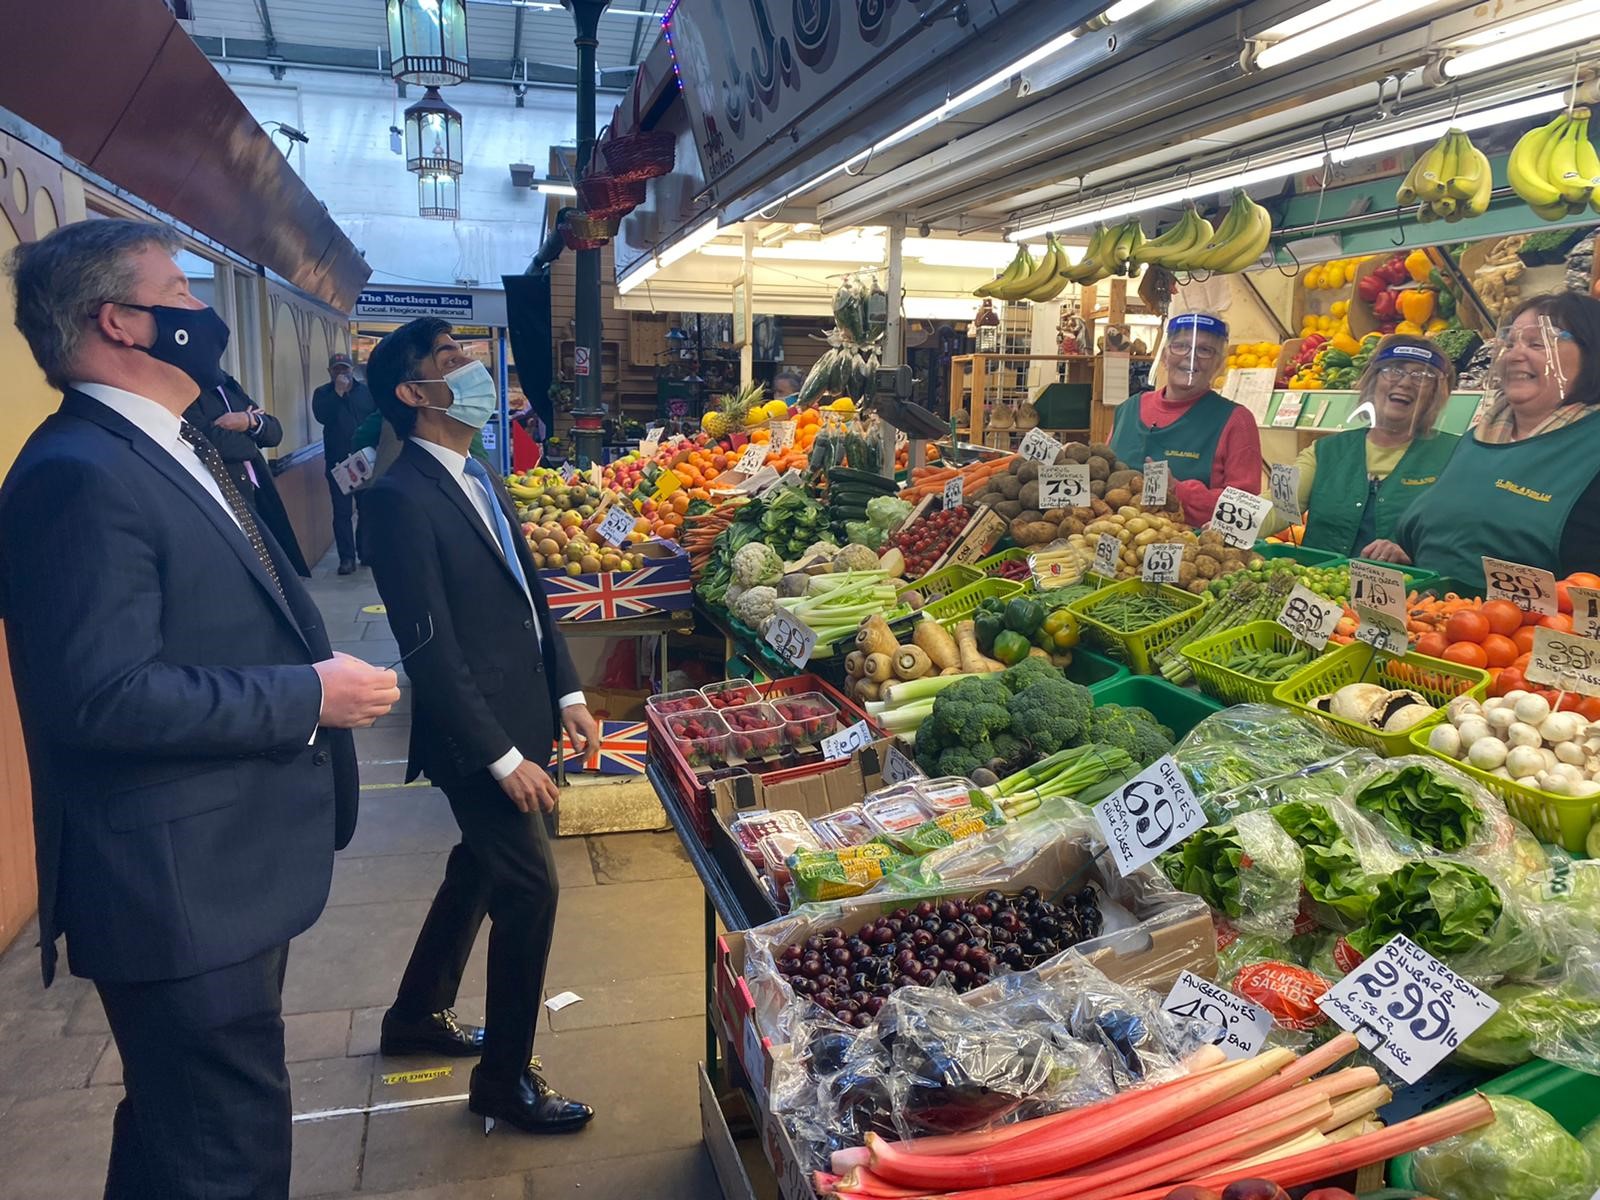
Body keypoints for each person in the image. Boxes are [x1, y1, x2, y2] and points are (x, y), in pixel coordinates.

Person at [0, 218, 399, 1200]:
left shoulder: (160, 446)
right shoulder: (75, 477)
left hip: (217, 878)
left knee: (181, 1137)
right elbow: (102, 695)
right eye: (181, 295)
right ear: (119, 324)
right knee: (226, 1156)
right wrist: (308, 693)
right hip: (175, 893)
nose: (204, 313)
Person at [362, 317, 600, 1135]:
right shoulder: (395, 500)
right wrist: (502, 757)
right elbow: (431, 651)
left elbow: (531, 595)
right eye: (450, 360)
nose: (472, 371)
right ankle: (503, 1082)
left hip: (526, 716)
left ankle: (416, 1014)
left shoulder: (480, 474)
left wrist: (567, 692)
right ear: (411, 392)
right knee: (530, 889)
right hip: (476, 737)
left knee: (477, 868)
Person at [1384, 293, 1600, 581]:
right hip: (1432, 615)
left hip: (1533, 626)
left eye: (1537, 343)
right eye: (1509, 343)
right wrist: (1410, 555)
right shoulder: (1477, 439)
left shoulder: (1590, 445)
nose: (1514, 354)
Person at [1288, 335, 1459, 561]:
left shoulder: (1457, 456)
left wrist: (1415, 554)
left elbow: (1466, 537)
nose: (1405, 382)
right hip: (1317, 591)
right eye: (1394, 370)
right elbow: (1277, 505)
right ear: (1372, 381)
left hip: (1413, 593)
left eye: (1421, 376)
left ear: (1435, 394)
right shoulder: (1324, 452)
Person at [1109, 312, 1264, 526]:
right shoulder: (1127, 409)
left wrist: (1179, 491)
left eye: (1204, 350)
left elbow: (1246, 511)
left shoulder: (1237, 421)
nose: (1190, 358)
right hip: (1113, 543)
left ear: (1219, 363)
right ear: (1164, 356)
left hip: (1194, 550)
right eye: (1180, 346)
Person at [187, 373, 312, 577]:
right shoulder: (188, 389)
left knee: (273, 567)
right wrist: (251, 433)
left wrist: (247, 420)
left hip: (258, 489)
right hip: (225, 493)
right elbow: (214, 442)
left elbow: (274, 432)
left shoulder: (227, 384)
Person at [312, 351, 375, 574]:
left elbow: (375, 420)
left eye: (345, 369)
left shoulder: (366, 392)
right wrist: (338, 393)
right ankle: (346, 558)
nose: (341, 373)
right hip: (339, 463)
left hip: (364, 460)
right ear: (330, 372)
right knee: (342, 513)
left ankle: (365, 552)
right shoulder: (322, 394)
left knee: (367, 509)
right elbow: (322, 416)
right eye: (337, 369)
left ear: (352, 370)